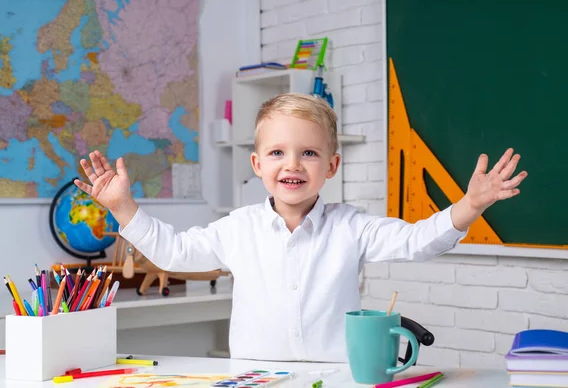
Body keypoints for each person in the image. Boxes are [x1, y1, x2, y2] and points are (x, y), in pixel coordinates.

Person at [74, 93, 527, 363]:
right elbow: (173, 252)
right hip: (255, 379)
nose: (291, 164)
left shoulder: (351, 226)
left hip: (336, 378)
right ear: (256, 164)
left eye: (308, 153)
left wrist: (469, 205)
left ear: (331, 165)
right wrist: (124, 207)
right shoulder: (237, 228)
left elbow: (416, 241)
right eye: (277, 153)